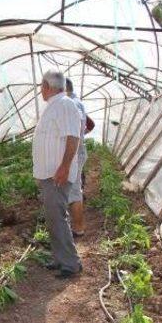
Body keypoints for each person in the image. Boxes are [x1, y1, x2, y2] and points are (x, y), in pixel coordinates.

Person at [32, 71, 82, 279]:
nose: (40, 89)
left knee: (58, 217)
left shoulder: (65, 104)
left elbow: (72, 137)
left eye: (41, 85)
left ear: (48, 85)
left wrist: (63, 167)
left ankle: (71, 263)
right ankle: (60, 258)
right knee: (53, 218)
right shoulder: (53, 106)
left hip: (57, 175)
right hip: (49, 175)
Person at [65, 78, 95, 237]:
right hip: (77, 151)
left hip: (74, 152)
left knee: (74, 192)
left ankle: (77, 228)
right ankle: (74, 225)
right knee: (72, 190)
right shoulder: (76, 103)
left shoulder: (72, 105)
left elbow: (71, 134)